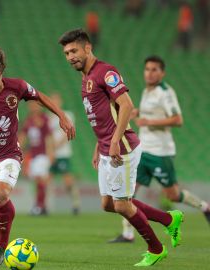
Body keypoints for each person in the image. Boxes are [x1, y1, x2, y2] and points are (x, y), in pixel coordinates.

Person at [58, 29, 183, 266]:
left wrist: (114, 141)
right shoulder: (86, 78)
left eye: (74, 50)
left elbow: (126, 105)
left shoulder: (106, 72)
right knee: (108, 204)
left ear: (87, 48)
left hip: (122, 147)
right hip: (106, 146)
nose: (70, 56)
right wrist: (99, 144)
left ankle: (156, 249)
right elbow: (105, 116)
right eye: (66, 53)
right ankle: (168, 219)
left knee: (123, 205)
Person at [0, 46, 75, 267]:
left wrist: (62, 116)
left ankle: (1, 246)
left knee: (1, 196)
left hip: (8, 154)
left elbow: (40, 97)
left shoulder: (16, 86)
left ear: (2, 73)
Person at [109, 55, 210, 243]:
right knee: (128, 191)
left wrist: (149, 121)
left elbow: (178, 119)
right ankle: (128, 233)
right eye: (147, 69)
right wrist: (139, 113)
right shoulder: (147, 91)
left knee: (173, 194)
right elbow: (150, 112)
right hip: (143, 150)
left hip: (160, 153)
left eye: (154, 69)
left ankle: (204, 206)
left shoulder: (165, 92)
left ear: (162, 73)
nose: (149, 73)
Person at [48, 93, 81, 215]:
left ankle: (75, 203)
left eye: (56, 100)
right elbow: (48, 136)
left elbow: (67, 132)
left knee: (67, 181)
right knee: (47, 180)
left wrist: (57, 145)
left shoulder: (67, 115)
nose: (55, 102)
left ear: (60, 101)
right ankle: (45, 205)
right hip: (52, 154)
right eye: (52, 100)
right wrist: (50, 150)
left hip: (63, 153)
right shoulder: (49, 117)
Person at [19, 101, 53, 216]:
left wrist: (50, 154)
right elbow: (22, 137)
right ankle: (42, 206)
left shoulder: (44, 119)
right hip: (33, 155)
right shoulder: (29, 120)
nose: (32, 107)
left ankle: (39, 206)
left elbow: (48, 137)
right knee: (38, 181)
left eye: (34, 105)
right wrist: (19, 150)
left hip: (42, 154)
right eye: (30, 105)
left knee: (40, 179)